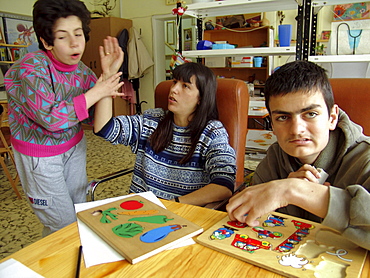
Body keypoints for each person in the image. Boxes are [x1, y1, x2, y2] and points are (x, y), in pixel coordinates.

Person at [4, 0, 124, 236]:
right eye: (62, 36)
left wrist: (108, 77)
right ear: (46, 41)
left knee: (79, 212)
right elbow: (52, 119)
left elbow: (100, 123)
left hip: (74, 148)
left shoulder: (82, 72)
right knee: (62, 224)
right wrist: (98, 90)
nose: (74, 43)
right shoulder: (30, 69)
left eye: (78, 34)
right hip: (41, 156)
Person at [226, 60, 370, 250]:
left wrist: (294, 191)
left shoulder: (365, 160)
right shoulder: (274, 159)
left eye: (310, 114)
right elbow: (248, 220)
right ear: (273, 126)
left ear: (332, 117)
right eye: (283, 118)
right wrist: (281, 201)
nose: (296, 130)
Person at [94, 62, 236, 206]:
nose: (173, 89)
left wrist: (172, 205)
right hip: (138, 212)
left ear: (201, 98)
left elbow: (223, 186)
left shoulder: (212, 132)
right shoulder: (152, 121)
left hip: (180, 216)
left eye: (185, 86)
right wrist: (107, 79)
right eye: (174, 82)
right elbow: (104, 128)